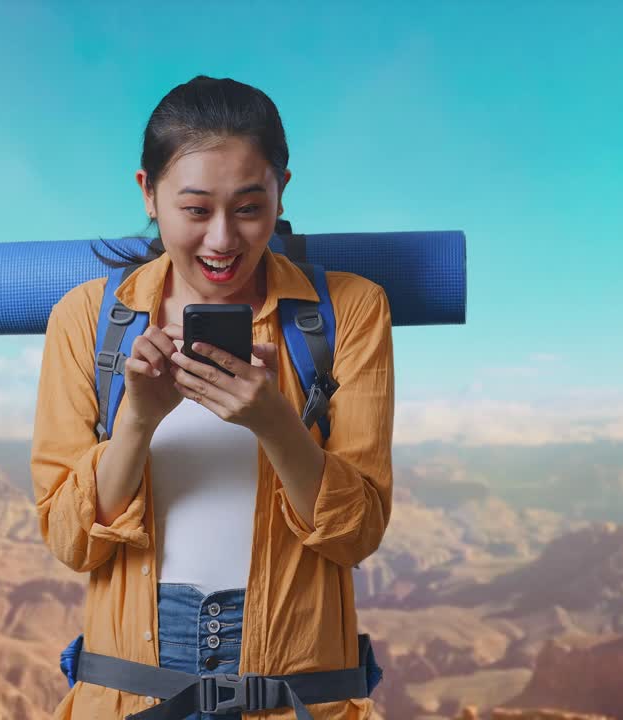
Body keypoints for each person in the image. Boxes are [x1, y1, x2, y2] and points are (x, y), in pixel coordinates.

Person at [31, 75, 394, 719]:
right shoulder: (89, 320)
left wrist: (276, 423)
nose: (224, 240)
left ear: (282, 190)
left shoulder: (350, 310)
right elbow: (72, 542)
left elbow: (356, 535)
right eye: (196, 210)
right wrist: (137, 422)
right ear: (148, 192)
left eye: (249, 207)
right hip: (128, 691)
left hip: (294, 692)